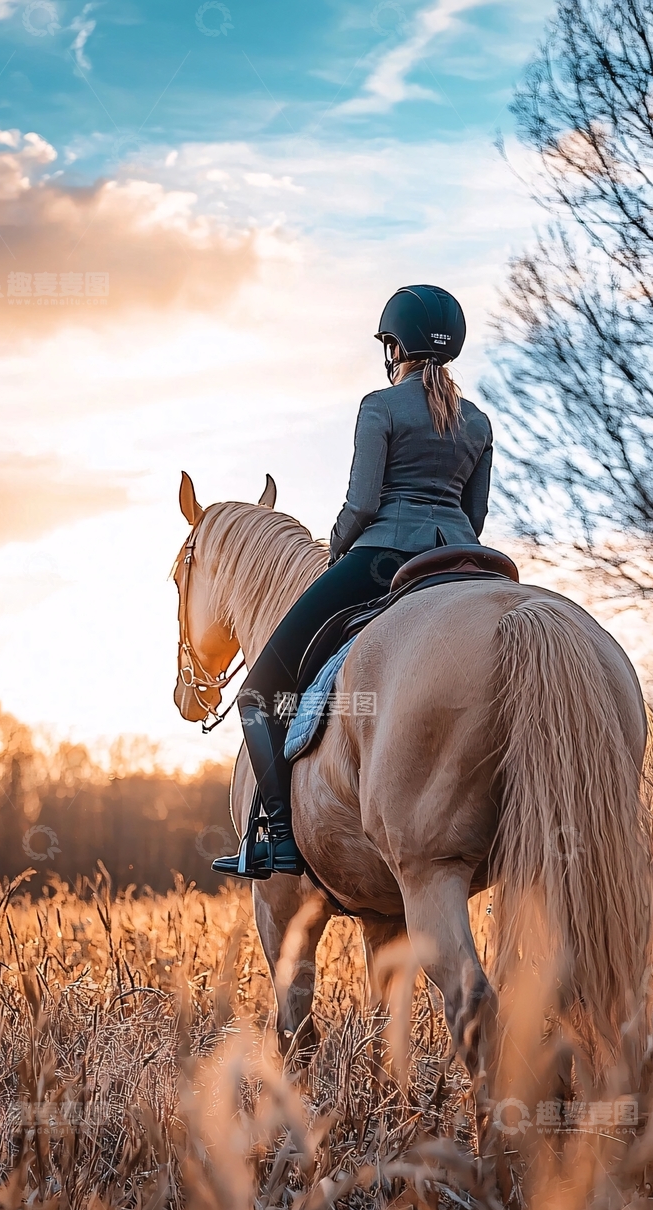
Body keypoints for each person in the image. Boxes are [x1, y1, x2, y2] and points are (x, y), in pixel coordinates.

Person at [213, 284, 494, 881]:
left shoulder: (380, 407)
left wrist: (337, 548)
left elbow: (362, 506)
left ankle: (282, 840)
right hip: (461, 565)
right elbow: (474, 518)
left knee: (259, 692)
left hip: (378, 561)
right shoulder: (478, 422)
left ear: (396, 347)